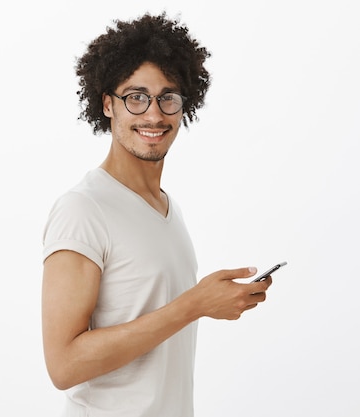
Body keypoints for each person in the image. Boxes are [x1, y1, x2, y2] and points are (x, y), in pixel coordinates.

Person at [41, 12, 272, 417]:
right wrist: (194, 304)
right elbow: (64, 365)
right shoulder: (84, 208)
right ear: (108, 105)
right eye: (136, 97)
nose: (153, 114)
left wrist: (214, 300)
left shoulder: (168, 208)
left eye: (168, 97)